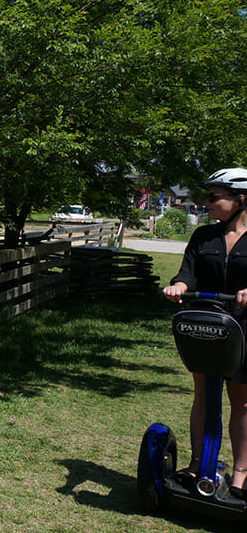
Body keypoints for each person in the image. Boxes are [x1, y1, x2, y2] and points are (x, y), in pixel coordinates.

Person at [163, 167, 247, 497]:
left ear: (241, 200)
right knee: (203, 394)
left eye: (214, 197)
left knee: (241, 403)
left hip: (244, 328)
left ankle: (241, 472)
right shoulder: (203, 237)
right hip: (207, 325)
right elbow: (186, 273)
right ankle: (199, 462)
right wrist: (179, 286)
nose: (207, 203)